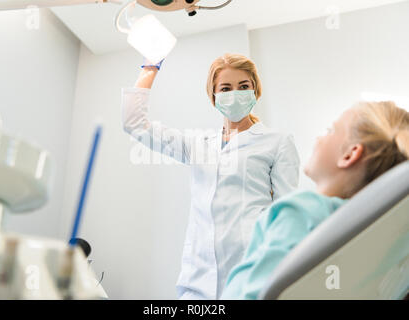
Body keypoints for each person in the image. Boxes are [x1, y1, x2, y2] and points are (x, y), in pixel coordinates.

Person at [121, 53, 300, 299]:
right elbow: (135, 124)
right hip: (197, 283)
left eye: (243, 86)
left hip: (251, 279)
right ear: (214, 96)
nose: (235, 93)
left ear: (255, 90)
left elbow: (286, 217)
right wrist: (150, 67)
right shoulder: (198, 144)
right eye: (226, 88)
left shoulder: (277, 142)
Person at [221, 101, 409, 299]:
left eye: (330, 130)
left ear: (350, 154)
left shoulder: (301, 211)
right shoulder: (388, 236)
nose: (319, 137)